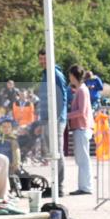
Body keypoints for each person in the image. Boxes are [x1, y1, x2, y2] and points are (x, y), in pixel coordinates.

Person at [37, 48, 70, 194]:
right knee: (52, 152)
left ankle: (59, 187)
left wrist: (55, 118)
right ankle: (55, 183)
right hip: (47, 118)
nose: (43, 61)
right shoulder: (45, 73)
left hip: (55, 119)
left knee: (57, 151)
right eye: (41, 59)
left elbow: (63, 97)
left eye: (45, 58)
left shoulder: (56, 74)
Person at [67, 64, 94, 196]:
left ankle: (86, 187)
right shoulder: (81, 90)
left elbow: (81, 111)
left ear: (73, 76)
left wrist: (66, 116)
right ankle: (84, 186)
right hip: (81, 128)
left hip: (82, 127)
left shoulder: (82, 90)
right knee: (82, 159)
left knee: (83, 159)